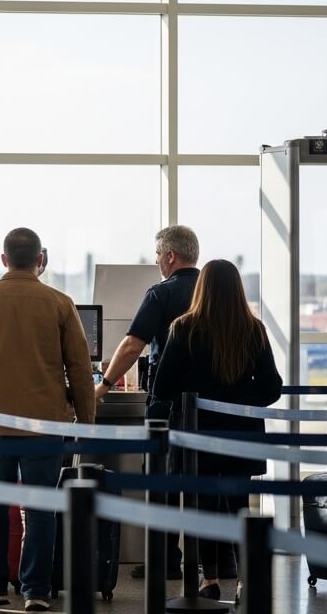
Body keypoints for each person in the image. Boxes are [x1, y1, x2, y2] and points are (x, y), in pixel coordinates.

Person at [0, 227, 95, 613]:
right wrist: (85, 421)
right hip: (45, 425)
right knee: (41, 508)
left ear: (2, 260)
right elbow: (80, 370)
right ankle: (36, 591)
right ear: (39, 261)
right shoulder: (60, 303)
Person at [150, 259, 282, 604]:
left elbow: (162, 387)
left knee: (201, 507)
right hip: (241, 434)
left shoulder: (183, 328)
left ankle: (208, 579)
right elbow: (272, 389)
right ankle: (243, 581)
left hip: (197, 435)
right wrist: (240, 397)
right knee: (240, 507)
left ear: (202, 287)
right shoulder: (254, 330)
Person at [96, 224, 200, 582]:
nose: (157, 261)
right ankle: (220, 562)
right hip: (213, 406)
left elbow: (132, 345)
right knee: (208, 483)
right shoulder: (215, 292)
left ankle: (165, 559)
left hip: (168, 405)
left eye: (158, 255)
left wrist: (105, 384)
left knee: (163, 481)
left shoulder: (161, 294)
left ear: (170, 256)